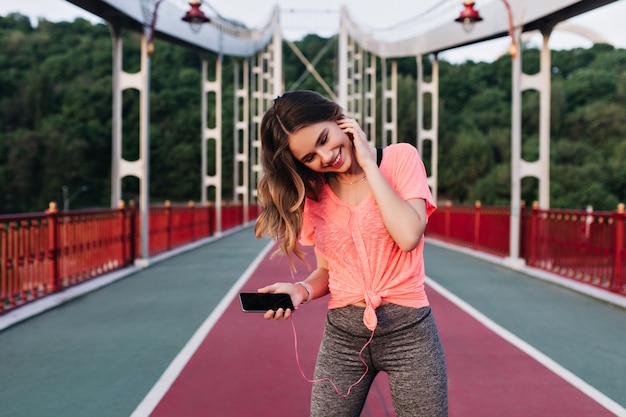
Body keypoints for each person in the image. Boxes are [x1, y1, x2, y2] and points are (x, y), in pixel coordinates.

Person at [254, 90, 448, 417]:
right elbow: (328, 272)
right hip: (343, 338)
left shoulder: (401, 158)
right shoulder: (315, 195)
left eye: (325, 138)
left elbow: (408, 235)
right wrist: (300, 290)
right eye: (309, 157)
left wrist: (369, 163)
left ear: (338, 117)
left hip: (410, 334)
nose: (325, 156)